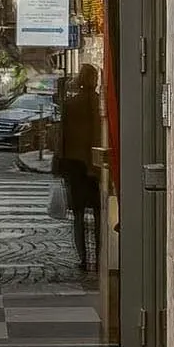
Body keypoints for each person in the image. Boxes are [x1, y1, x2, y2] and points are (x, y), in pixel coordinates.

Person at [50, 63, 103, 274]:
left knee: (79, 215)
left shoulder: (70, 104)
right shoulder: (100, 103)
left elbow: (62, 137)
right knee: (99, 214)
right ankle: (99, 257)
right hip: (97, 164)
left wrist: (58, 164)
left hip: (75, 164)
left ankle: (83, 258)